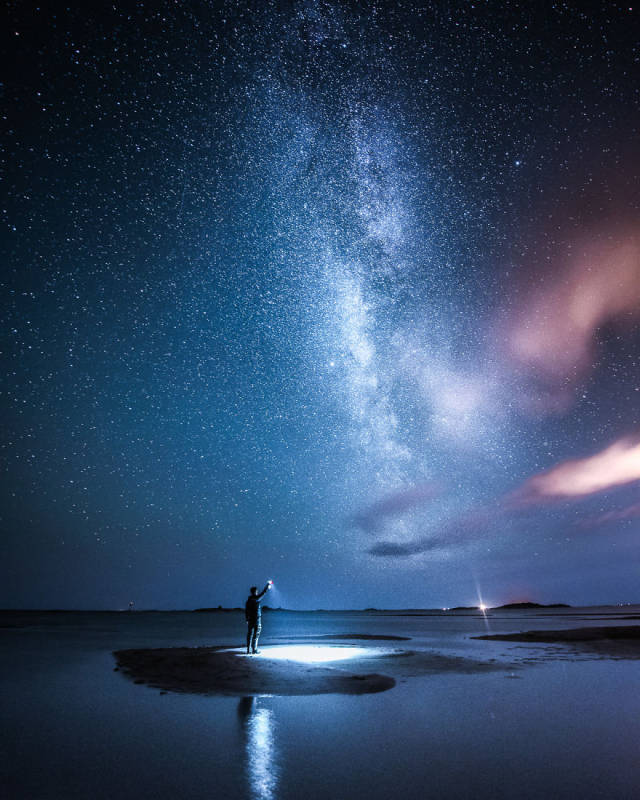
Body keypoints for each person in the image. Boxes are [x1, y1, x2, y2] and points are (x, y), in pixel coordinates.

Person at [245, 582, 271, 654]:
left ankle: (248, 649)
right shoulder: (256, 599)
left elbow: (246, 610)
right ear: (255, 592)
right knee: (256, 634)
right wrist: (267, 586)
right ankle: (254, 649)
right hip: (256, 619)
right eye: (257, 591)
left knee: (250, 634)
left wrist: (247, 619)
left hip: (250, 619)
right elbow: (263, 593)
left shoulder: (248, 600)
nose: (257, 592)